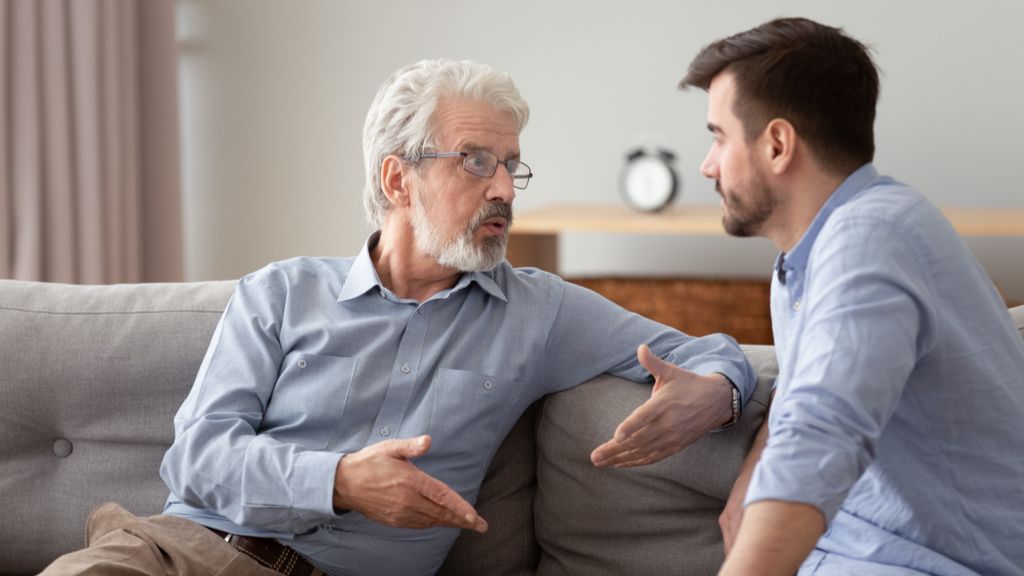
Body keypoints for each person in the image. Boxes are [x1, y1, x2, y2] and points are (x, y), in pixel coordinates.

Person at [40, 59, 755, 576]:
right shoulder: (281, 294)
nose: (505, 187)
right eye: (476, 162)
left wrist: (719, 393)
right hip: (173, 556)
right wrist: (340, 480)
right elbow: (195, 460)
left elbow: (714, 352)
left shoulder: (540, 311)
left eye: (512, 165)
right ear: (396, 179)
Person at [678, 17, 1024, 576]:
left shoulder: (872, 236)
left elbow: (821, 433)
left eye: (718, 136)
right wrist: (751, 475)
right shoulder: (805, 258)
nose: (707, 164)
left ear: (777, 144)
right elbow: (809, 389)